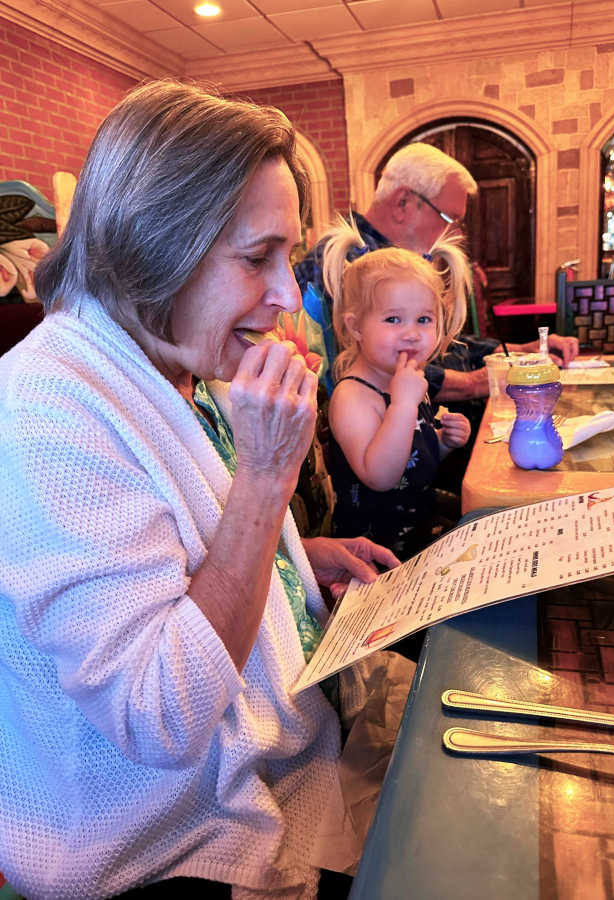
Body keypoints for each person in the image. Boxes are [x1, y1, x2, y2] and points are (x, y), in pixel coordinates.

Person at [0, 80, 400, 900]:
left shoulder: (175, 359)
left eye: (288, 258)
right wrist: (267, 478)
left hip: (293, 744)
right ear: (152, 246)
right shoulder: (42, 413)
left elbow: (177, 544)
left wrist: (294, 556)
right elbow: (159, 713)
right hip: (158, 846)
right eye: (257, 258)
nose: (287, 296)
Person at [294, 141, 579, 405]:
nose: (457, 233)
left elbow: (440, 344)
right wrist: (474, 382)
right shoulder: (344, 263)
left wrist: (520, 351)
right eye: (449, 219)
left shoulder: (400, 260)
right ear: (403, 202)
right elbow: (365, 368)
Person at [323, 222, 472, 559]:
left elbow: (410, 460)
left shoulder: (406, 380)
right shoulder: (352, 396)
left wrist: (443, 442)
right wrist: (403, 405)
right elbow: (381, 475)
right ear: (355, 327)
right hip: (380, 552)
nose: (412, 333)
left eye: (424, 320)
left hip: (421, 528)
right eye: (393, 319)